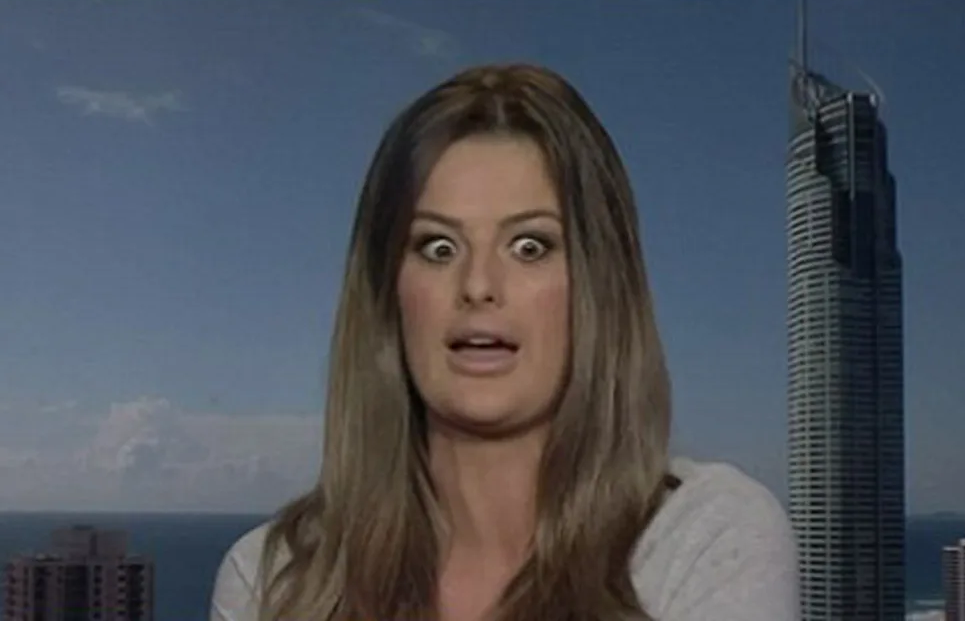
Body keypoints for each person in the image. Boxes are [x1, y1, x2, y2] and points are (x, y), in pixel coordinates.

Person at [210, 63, 798, 621]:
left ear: (599, 285)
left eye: (530, 246)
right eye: (438, 248)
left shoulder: (705, 537)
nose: (478, 286)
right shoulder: (274, 579)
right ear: (389, 292)